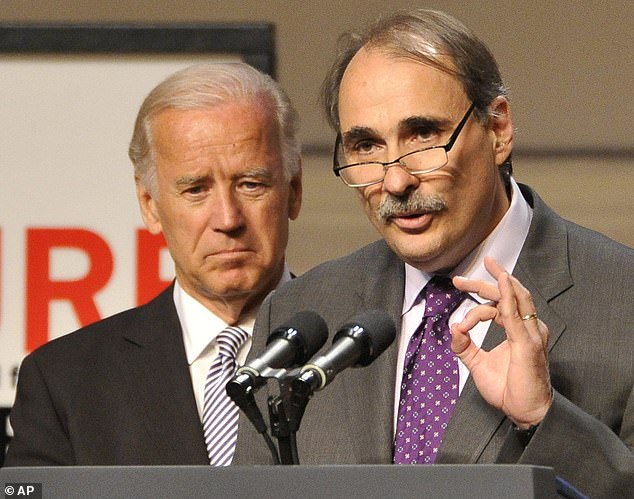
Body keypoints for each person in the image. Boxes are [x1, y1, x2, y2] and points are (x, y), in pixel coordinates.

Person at [236, 9, 634, 498]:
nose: (395, 180)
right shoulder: (302, 311)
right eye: (365, 145)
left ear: (499, 129)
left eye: (423, 135)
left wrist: (543, 419)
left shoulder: (623, 300)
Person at [5, 62, 302, 465]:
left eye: (251, 184)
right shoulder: (63, 381)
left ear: (294, 191)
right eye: (196, 190)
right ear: (151, 206)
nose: (228, 219)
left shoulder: (366, 358)